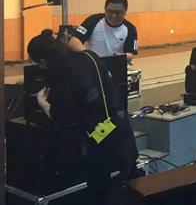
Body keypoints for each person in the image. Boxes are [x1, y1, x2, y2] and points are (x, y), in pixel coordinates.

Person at [28, 29, 139, 205]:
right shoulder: (91, 57)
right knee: (130, 192)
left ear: (43, 62)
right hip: (123, 136)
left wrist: (43, 103)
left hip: (100, 149)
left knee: (102, 196)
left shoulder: (63, 80)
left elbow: (60, 118)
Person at [70, 0, 138, 59]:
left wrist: (121, 57)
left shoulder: (131, 29)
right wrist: (87, 54)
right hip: (93, 65)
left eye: (118, 12)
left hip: (117, 65)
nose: (114, 16)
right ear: (105, 9)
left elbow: (131, 54)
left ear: (125, 12)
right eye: (110, 11)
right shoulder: (92, 20)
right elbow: (74, 40)